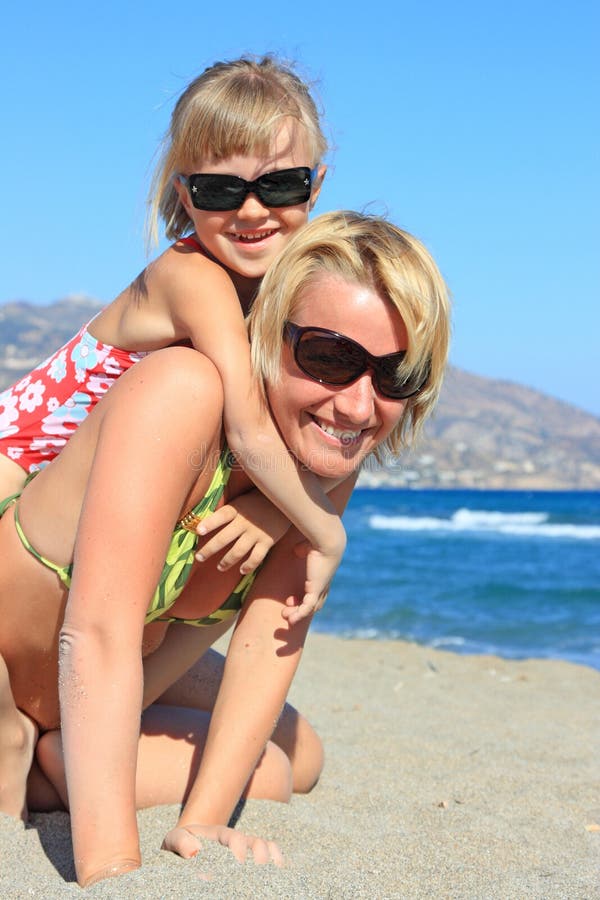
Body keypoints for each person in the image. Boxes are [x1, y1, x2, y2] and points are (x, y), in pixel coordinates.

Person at [0, 211, 451, 888]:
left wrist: (204, 822)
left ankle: (63, 760)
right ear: (270, 336)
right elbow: (94, 635)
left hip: (91, 693)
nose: (359, 408)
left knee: (292, 761)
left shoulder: (329, 460)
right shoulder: (183, 390)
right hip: (32, 664)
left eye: (396, 376)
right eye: (330, 359)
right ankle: (53, 763)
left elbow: (269, 640)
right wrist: (115, 867)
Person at [0, 54, 343, 617]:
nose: (251, 209)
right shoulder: (193, 277)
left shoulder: (273, 295)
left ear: (315, 186)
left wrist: (277, 510)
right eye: (219, 191)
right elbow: (250, 427)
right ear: (186, 196)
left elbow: (328, 427)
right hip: (15, 469)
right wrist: (326, 533)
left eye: (279, 185)